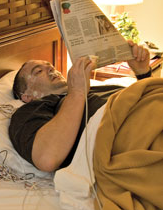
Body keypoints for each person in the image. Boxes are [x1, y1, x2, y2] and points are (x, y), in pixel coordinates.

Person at [9, 41, 151, 173]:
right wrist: (77, 92)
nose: (50, 69)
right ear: (26, 96)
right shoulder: (31, 111)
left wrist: (143, 73)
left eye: (50, 66)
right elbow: (47, 158)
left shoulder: (97, 88)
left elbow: (148, 100)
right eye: (39, 71)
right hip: (140, 139)